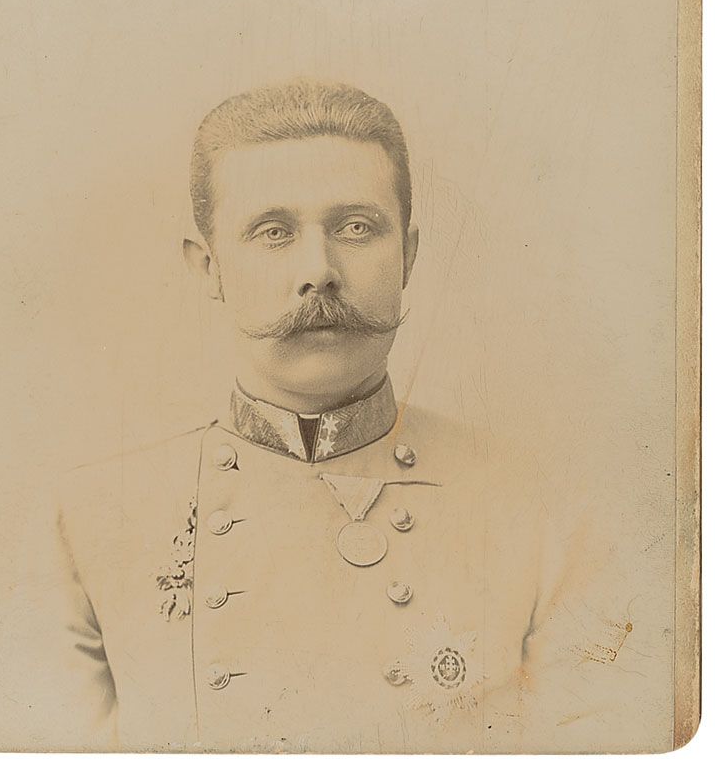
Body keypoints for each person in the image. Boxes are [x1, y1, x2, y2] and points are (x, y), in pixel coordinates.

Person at [52, 79, 626, 753]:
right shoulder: (92, 519)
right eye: (273, 233)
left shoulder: (538, 508)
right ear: (209, 268)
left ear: (407, 255)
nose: (319, 271)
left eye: (356, 228)